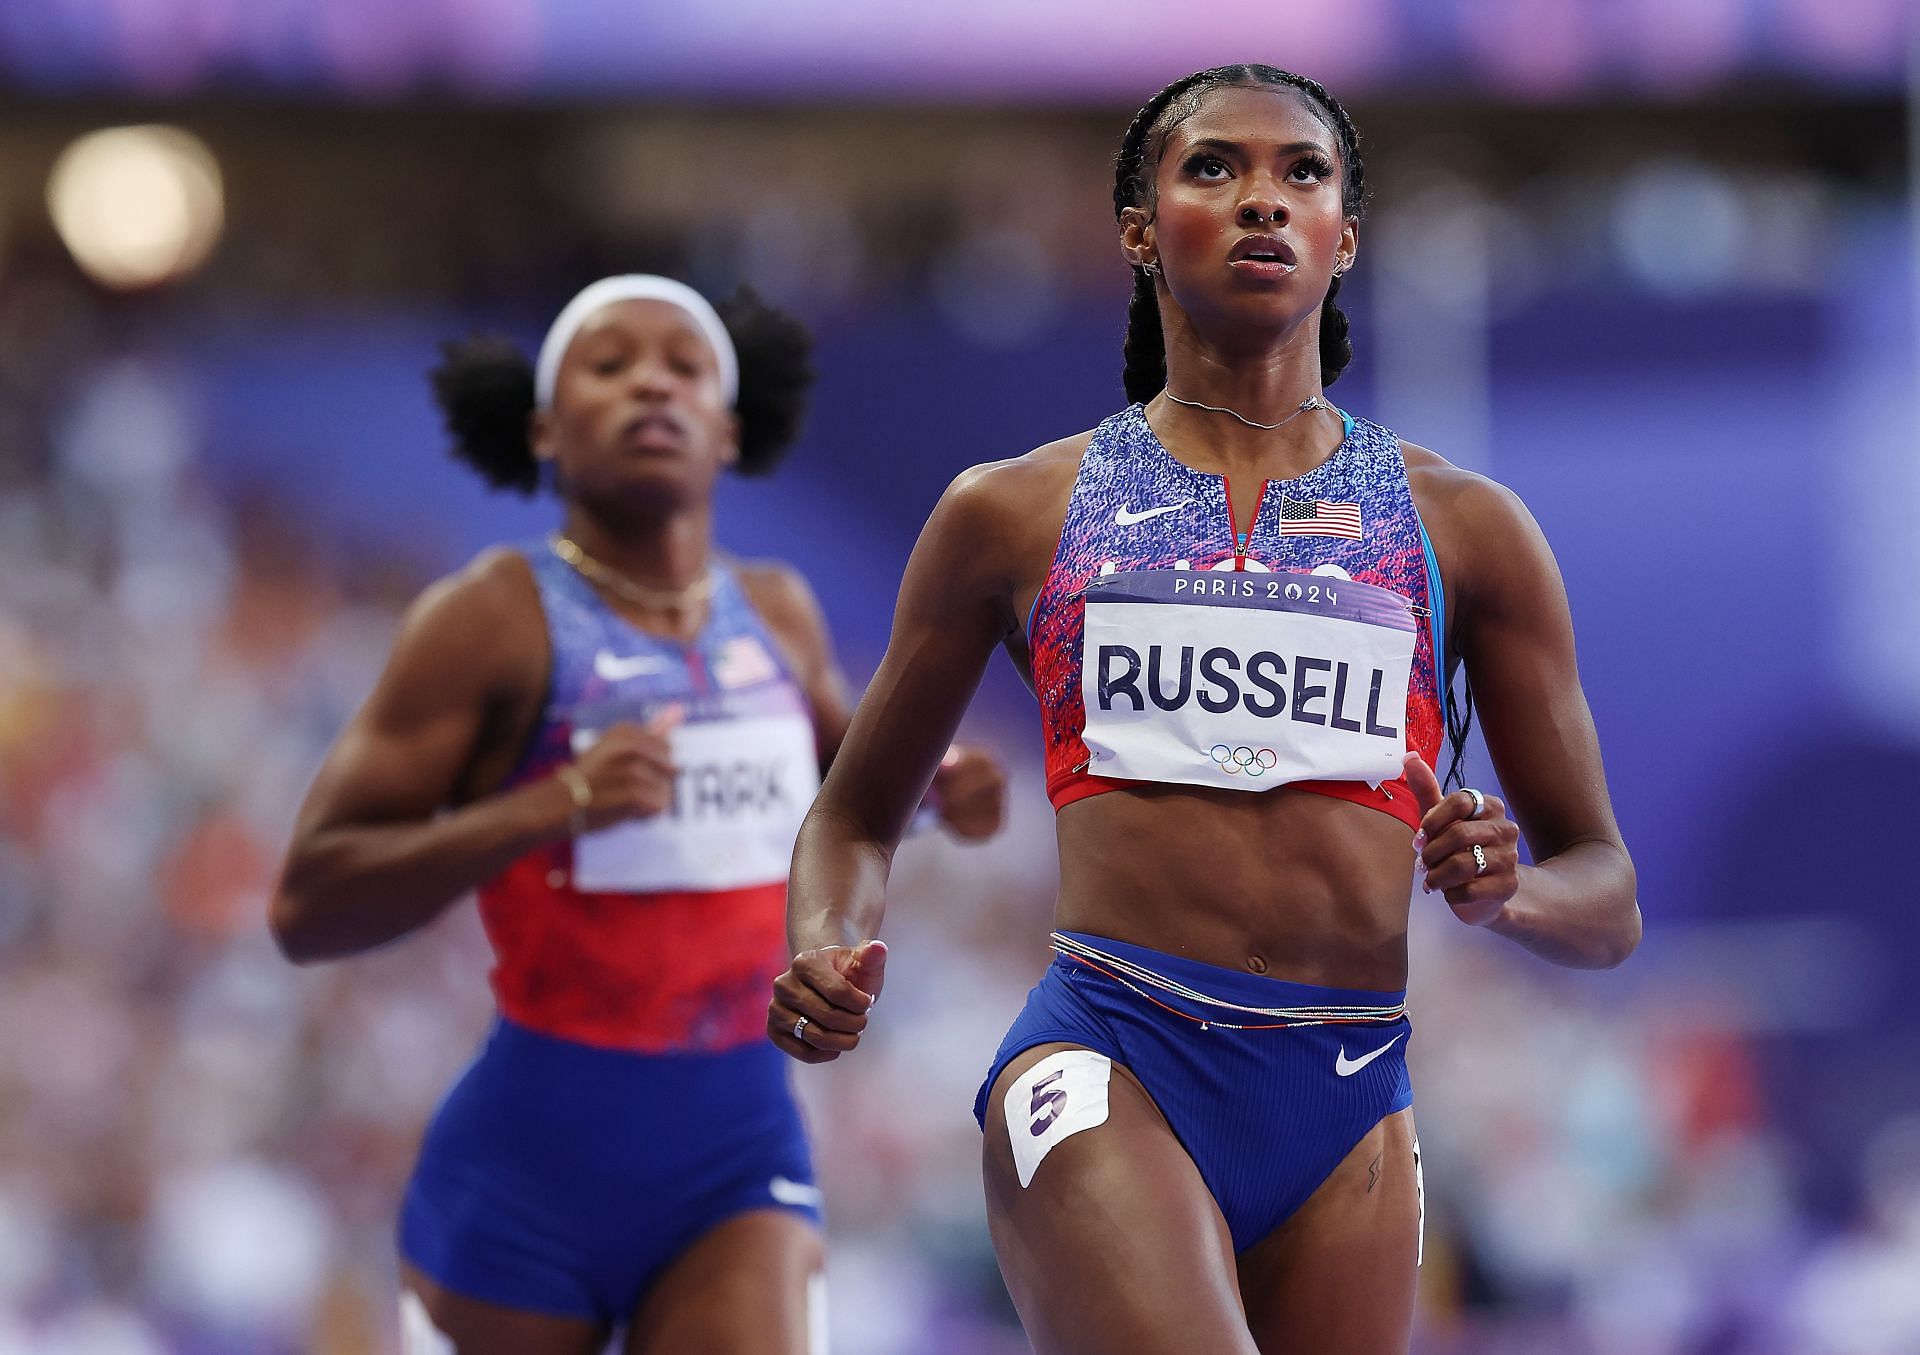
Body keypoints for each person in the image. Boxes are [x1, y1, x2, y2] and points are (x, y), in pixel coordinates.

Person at [767, 65, 1639, 1355]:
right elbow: (852, 814)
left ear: (1347, 234)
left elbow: (1607, 895)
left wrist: (1510, 890)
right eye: (1214, 168)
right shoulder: (1012, 511)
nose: (1262, 202)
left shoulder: (1467, 531)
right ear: (1138, 227)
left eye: (1303, 175)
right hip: (1109, 1053)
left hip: (1350, 1098)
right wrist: (826, 939)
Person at [269, 275, 1006, 1355]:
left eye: (683, 366)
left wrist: (934, 795)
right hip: (526, 1175)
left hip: (737, 1149)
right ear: (545, 428)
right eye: (608, 366)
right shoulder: (488, 618)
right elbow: (308, 903)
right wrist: (550, 805)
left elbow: (844, 805)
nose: (651, 383)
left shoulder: (780, 611)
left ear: (728, 427)